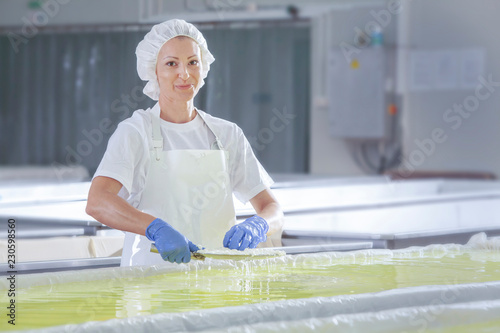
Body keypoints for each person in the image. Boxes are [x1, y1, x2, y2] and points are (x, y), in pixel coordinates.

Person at [86, 19, 284, 267]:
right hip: (151, 286)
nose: (184, 74)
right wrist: (154, 228)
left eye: (193, 62)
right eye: (171, 64)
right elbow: (98, 202)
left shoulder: (226, 134)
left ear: (204, 67)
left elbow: (272, 208)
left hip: (217, 285)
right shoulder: (135, 131)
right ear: (154, 71)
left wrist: (260, 224)